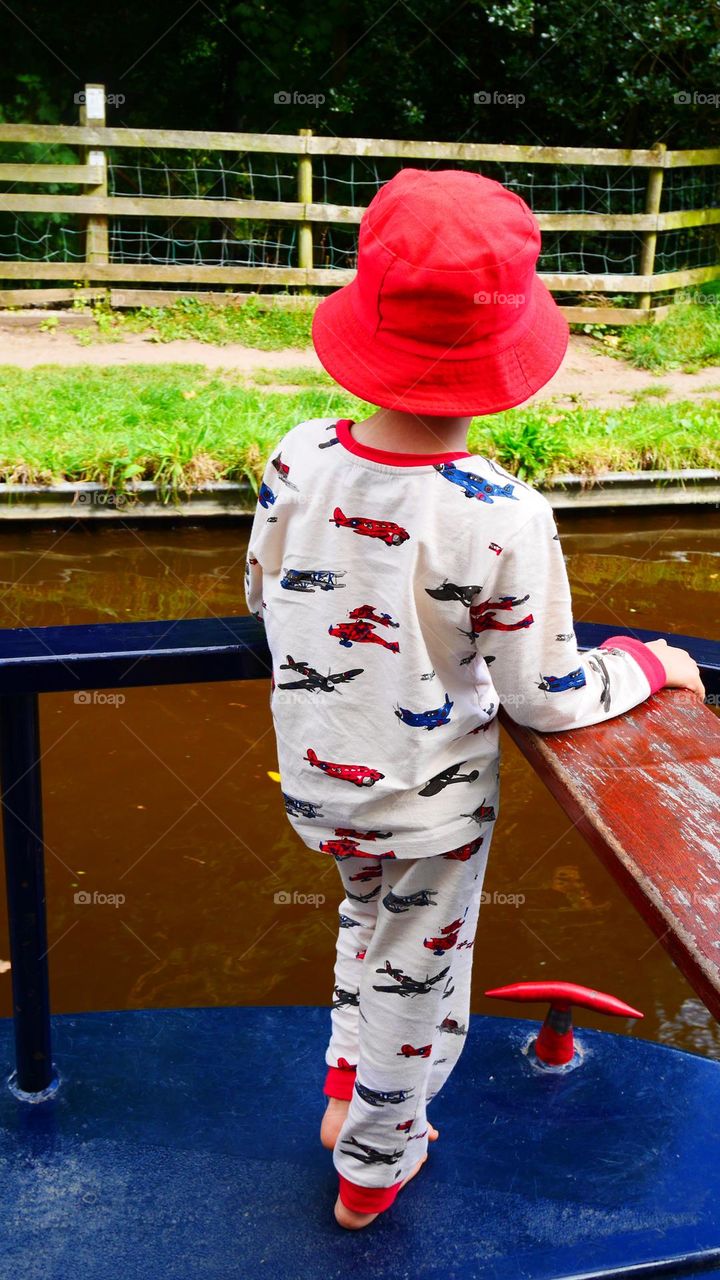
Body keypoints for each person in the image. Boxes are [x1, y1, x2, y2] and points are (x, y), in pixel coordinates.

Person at [243, 168, 705, 1231]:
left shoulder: (299, 455)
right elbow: (544, 693)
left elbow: (265, 591)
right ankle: (372, 1164)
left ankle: (341, 1095)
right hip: (431, 805)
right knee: (419, 977)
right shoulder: (501, 512)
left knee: (364, 918)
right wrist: (645, 667)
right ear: (506, 354)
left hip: (321, 780)